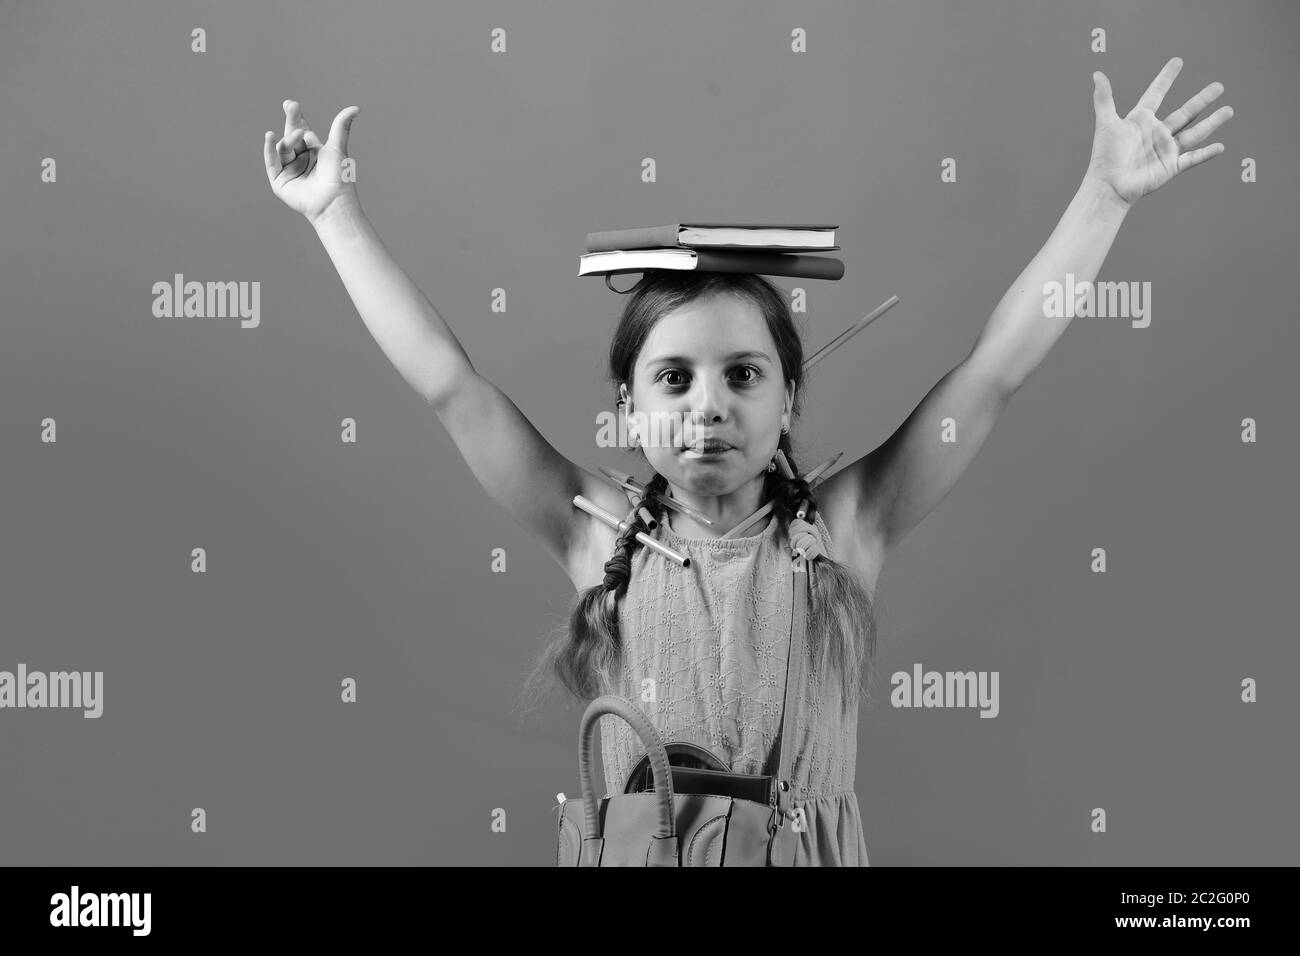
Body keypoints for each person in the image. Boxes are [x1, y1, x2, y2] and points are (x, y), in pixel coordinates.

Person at [261, 57, 1231, 864]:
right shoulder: (594, 529)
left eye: (742, 373)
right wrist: (331, 215)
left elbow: (991, 373)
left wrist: (1103, 197)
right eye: (674, 379)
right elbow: (451, 386)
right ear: (629, 408)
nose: (709, 404)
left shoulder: (848, 525)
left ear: (789, 397)